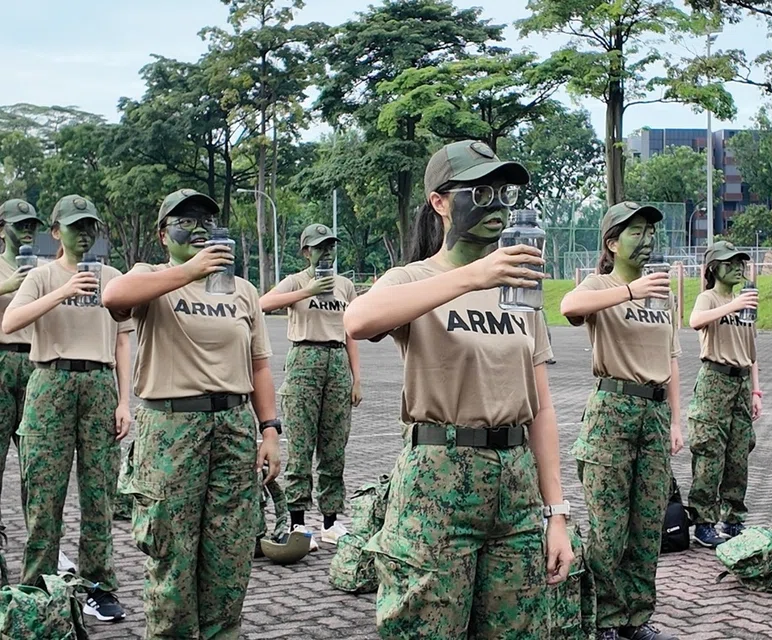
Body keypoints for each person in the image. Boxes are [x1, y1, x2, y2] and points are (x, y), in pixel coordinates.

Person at [344, 139, 574, 639]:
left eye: (503, 194)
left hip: (514, 487)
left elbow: (541, 408)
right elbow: (358, 319)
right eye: (480, 192)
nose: (496, 205)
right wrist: (472, 277)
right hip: (438, 483)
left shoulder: (521, 290)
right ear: (440, 202)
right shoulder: (415, 278)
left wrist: (556, 514)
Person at [102, 188, 281, 638]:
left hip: (233, 427)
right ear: (164, 235)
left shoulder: (242, 290)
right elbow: (114, 296)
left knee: (230, 552)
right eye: (185, 221)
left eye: (206, 220)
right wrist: (189, 271)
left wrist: (270, 431)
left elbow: (259, 365)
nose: (198, 228)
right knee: (173, 554)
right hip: (171, 429)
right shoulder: (152, 277)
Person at [1, 195, 133, 622]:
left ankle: (98, 585)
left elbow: (122, 341)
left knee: (99, 493)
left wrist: (124, 401)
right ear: (56, 232)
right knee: (44, 495)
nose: (85, 234)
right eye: (76, 226)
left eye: (90, 226)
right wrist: (64, 290)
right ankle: (38, 590)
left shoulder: (112, 277)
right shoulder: (41, 275)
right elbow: (10, 322)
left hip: (98, 384)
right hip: (50, 382)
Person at [559, 201, 684, 640]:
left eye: (651, 232)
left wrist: (675, 420)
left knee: (647, 526)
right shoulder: (601, 284)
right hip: (613, 411)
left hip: (654, 414)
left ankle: (635, 618)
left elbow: (671, 357)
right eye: (637, 232)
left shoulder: (663, 293)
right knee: (608, 527)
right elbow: (570, 306)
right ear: (612, 243)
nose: (647, 240)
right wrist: (631, 291)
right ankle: (604, 620)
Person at [259, 223, 362, 548]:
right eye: (319, 247)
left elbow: (351, 332)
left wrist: (356, 378)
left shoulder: (345, 285)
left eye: (330, 246)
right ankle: (299, 523)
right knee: (301, 446)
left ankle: (331, 521)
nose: (326, 252)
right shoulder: (297, 281)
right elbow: (262, 304)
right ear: (306, 252)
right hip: (304, 359)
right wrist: (308, 291)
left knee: (334, 446)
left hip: (337, 362)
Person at [686, 241, 762, 549]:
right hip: (715, 379)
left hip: (741, 382)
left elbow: (752, 351)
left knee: (739, 453)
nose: (737, 268)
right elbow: (695, 321)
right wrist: (733, 305)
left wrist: (756, 390)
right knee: (709, 452)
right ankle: (704, 521)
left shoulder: (746, 302)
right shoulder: (709, 298)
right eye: (729, 263)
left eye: (740, 263)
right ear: (713, 269)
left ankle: (733, 518)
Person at [0, 199, 44, 525]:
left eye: (31, 225)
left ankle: (39, 538)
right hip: (1, 361)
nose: (27, 230)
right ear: (2, 229)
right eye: (20, 225)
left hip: (35, 363)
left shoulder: (44, 270)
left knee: (37, 459)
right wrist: (8, 285)